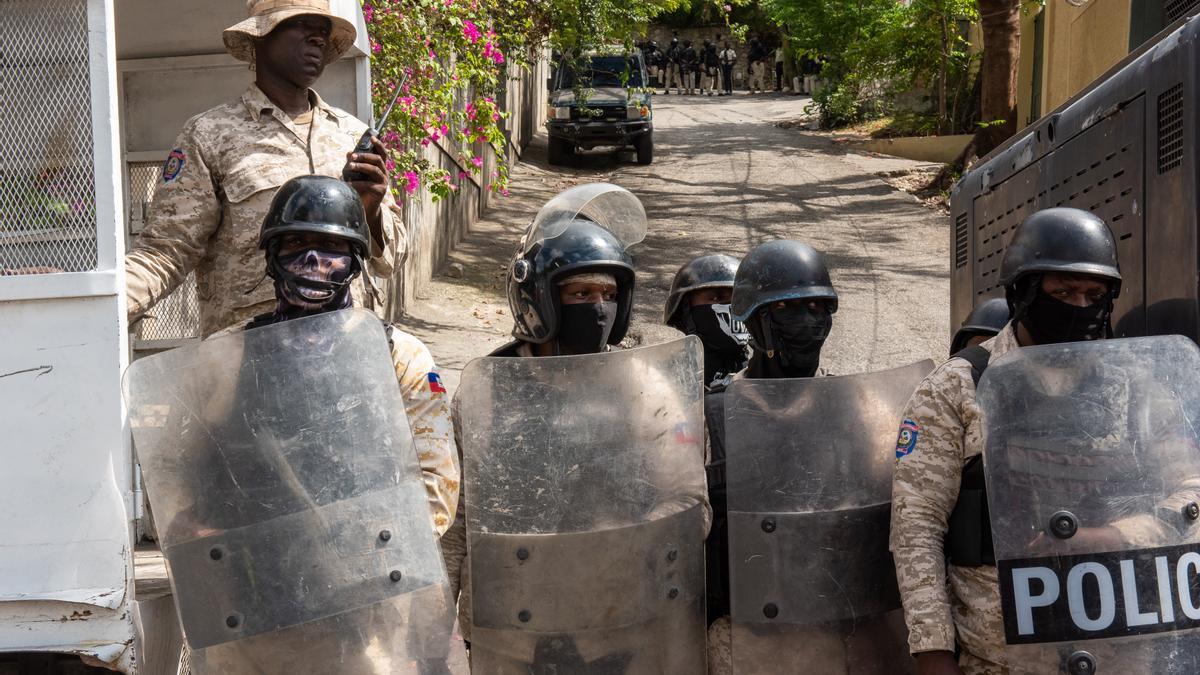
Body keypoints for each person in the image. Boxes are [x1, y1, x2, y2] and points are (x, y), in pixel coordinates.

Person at [143, 175, 461, 673]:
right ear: (272, 255)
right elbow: (176, 470)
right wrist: (206, 541)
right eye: (296, 244)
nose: (313, 261)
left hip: (363, 610)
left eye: (331, 246)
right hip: (249, 611)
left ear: (356, 258)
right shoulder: (224, 356)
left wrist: (364, 562)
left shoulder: (399, 356)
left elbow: (436, 486)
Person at [440, 184, 712, 670]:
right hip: (513, 628)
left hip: (615, 617)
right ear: (540, 297)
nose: (598, 308)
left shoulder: (643, 384)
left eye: (609, 294)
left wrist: (629, 546)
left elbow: (690, 499)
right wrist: (436, 624)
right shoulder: (489, 389)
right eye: (581, 293)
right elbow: (456, 520)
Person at [890, 208, 1127, 674]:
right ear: (1024, 293)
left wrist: (1120, 533)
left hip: (1119, 650)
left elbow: (1185, 494)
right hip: (997, 656)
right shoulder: (957, 386)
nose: (1080, 306)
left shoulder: (1129, 386)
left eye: (1093, 294)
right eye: (1063, 292)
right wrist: (933, 651)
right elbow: (916, 525)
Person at [125, 0, 403, 339]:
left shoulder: (352, 135)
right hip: (250, 356)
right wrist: (93, 303)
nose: (318, 38)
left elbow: (393, 259)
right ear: (261, 37)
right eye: (302, 24)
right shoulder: (211, 134)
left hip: (345, 350)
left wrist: (370, 209)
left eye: (324, 31)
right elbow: (166, 250)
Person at [704, 240, 840, 674]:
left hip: (832, 627)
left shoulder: (851, 407)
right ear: (756, 320)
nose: (809, 322)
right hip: (740, 638)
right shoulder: (712, 415)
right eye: (789, 309)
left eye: (821, 308)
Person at [664, 254, 749, 390]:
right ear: (685, 311)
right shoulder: (667, 379)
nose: (731, 306)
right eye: (717, 297)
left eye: (738, 299)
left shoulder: (763, 370)